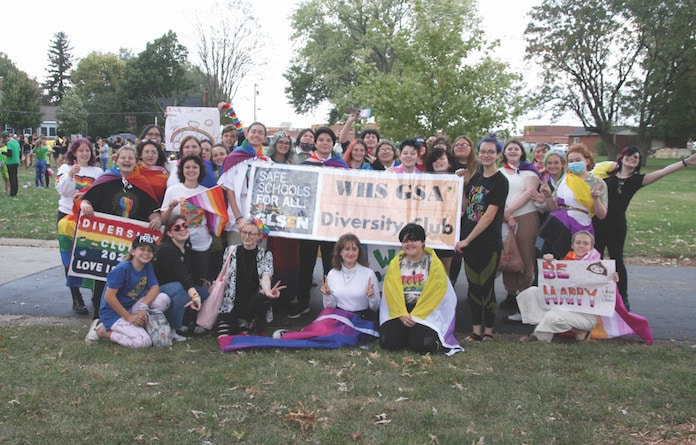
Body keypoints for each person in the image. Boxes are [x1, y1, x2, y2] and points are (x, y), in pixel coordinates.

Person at [592, 147, 696, 310]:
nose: (632, 159)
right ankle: (593, 296)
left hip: (617, 225)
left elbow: (662, 172)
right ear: (622, 157)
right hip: (598, 222)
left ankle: (623, 300)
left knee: (616, 260)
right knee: (594, 259)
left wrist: (685, 162)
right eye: (629, 155)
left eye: (636, 157)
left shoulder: (637, 180)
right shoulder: (606, 175)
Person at [80, 145, 163, 318]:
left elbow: (152, 210)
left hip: (131, 243)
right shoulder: (106, 179)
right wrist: (85, 205)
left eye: (130, 158)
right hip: (107, 241)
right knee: (103, 279)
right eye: (123, 158)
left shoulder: (142, 184)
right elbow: (87, 200)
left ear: (136, 162)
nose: (126, 161)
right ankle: (99, 316)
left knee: (127, 280)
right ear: (116, 160)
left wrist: (156, 218)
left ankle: (124, 314)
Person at [291, 127, 350, 318]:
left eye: (328, 140)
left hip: (332, 223)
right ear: (315, 143)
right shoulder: (305, 165)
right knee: (306, 264)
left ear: (333, 144)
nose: (325, 143)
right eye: (321, 140)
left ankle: (332, 303)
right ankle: (302, 302)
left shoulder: (341, 166)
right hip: (309, 222)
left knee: (331, 264)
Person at [455, 135, 509, 342]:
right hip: (469, 240)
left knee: (486, 287)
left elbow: (488, 217)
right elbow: (466, 207)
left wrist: (467, 240)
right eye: (483, 151)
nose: (486, 155)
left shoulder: (500, 181)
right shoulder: (475, 177)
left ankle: (489, 330)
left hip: (487, 242)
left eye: (491, 152)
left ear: (497, 154)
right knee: (473, 287)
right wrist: (459, 183)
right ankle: (476, 330)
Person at [518, 231, 617, 343]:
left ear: (591, 247)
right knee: (530, 293)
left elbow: (610, 296)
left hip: (585, 316)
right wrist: (550, 263)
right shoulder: (567, 261)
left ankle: (538, 338)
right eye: (578, 242)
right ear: (572, 245)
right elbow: (555, 284)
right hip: (563, 307)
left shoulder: (600, 267)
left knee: (553, 315)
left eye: (585, 243)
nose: (581, 246)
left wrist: (612, 279)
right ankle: (576, 332)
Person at [379, 223, 463, 354]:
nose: (409, 244)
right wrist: (401, 314)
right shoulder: (396, 263)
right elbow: (391, 293)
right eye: (405, 241)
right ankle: (407, 333)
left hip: (427, 312)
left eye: (414, 240)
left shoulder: (434, 264)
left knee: (422, 344)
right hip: (402, 310)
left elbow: (438, 294)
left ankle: (416, 336)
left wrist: (417, 315)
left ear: (422, 242)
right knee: (387, 341)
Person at [84, 235, 171, 348]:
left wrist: (143, 307)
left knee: (163, 299)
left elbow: (155, 287)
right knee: (144, 342)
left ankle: (141, 326)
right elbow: (109, 297)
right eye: (142, 249)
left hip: (131, 306)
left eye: (150, 250)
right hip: (113, 313)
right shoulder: (122, 269)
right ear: (133, 251)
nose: (146, 253)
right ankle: (102, 331)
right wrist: (129, 317)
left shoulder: (147, 265)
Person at [55, 138, 103, 314]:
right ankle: (76, 296)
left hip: (89, 218)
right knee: (69, 257)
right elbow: (63, 191)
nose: (84, 154)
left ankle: (93, 290)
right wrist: (70, 175)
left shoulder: (97, 171)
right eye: (81, 150)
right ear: (74, 153)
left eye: (87, 150)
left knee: (91, 255)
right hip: (67, 215)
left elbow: (97, 193)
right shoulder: (65, 168)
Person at [216, 219, 285, 336]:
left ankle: (254, 323)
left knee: (263, 296)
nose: (246, 236)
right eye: (244, 232)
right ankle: (240, 324)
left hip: (252, 302)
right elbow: (223, 275)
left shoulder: (265, 255)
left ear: (259, 236)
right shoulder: (230, 251)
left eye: (251, 233)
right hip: (232, 303)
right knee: (223, 335)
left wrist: (268, 291)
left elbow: (266, 277)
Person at [538, 143, 608, 259]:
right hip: (558, 224)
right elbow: (553, 208)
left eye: (577, 160)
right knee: (549, 257)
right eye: (570, 161)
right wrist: (548, 196)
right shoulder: (564, 180)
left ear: (587, 161)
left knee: (576, 260)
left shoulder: (598, 183)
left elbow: (601, 215)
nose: (574, 163)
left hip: (580, 226)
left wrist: (595, 199)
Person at [498, 139, 542, 313]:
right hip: (504, 219)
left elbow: (529, 192)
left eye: (517, 148)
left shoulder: (530, 172)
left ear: (522, 152)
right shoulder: (500, 172)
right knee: (508, 256)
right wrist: (505, 215)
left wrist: (510, 211)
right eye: (510, 148)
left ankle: (525, 294)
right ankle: (510, 293)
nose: (513, 151)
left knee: (525, 255)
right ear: (504, 153)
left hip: (525, 216)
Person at [153, 215, 207, 339]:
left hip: (179, 289)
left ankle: (186, 322)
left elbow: (189, 275)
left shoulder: (186, 250)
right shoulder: (167, 249)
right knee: (181, 287)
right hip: (158, 291)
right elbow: (182, 275)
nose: (183, 229)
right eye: (177, 227)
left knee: (206, 292)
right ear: (170, 233)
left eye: (185, 226)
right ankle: (172, 328)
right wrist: (193, 293)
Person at [218, 122, 272, 246]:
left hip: (260, 219)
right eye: (253, 132)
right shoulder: (234, 158)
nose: (256, 135)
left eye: (260, 133)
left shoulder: (268, 162)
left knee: (257, 256)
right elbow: (229, 190)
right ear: (247, 134)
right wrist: (238, 218)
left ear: (264, 138)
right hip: (239, 217)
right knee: (237, 255)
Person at [161, 155, 213, 284]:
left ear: (200, 170)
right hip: (178, 245)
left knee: (200, 281)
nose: (191, 170)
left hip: (201, 243)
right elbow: (164, 219)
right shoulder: (172, 190)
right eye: (187, 167)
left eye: (195, 167)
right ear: (182, 170)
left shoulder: (207, 193)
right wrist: (170, 208)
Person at [320, 233, 380, 321]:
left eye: (354, 249)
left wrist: (372, 296)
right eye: (347, 249)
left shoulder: (369, 273)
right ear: (340, 252)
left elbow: (376, 307)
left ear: (359, 251)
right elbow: (329, 308)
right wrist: (328, 295)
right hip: (339, 319)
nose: (351, 253)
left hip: (362, 320)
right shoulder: (332, 274)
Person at [424, 147, 459, 275]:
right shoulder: (422, 181)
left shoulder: (457, 181)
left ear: (449, 163)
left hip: (446, 233)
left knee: (444, 271)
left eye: (442, 159)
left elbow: (462, 207)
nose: (438, 162)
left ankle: (445, 294)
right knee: (427, 270)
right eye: (435, 160)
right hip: (427, 231)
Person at [136, 139, 170, 204]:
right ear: (140, 155)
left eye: (154, 152)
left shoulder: (166, 175)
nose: (150, 155)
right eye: (146, 152)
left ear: (158, 155)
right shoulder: (134, 170)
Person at [2, 131, 21, 196]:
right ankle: (15, 191)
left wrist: (4, 153)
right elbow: (20, 152)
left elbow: (10, 154)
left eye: (4, 139)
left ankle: (12, 193)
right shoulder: (16, 142)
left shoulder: (9, 143)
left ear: (6, 137)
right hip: (16, 161)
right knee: (15, 177)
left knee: (11, 178)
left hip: (10, 162)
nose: (4, 141)